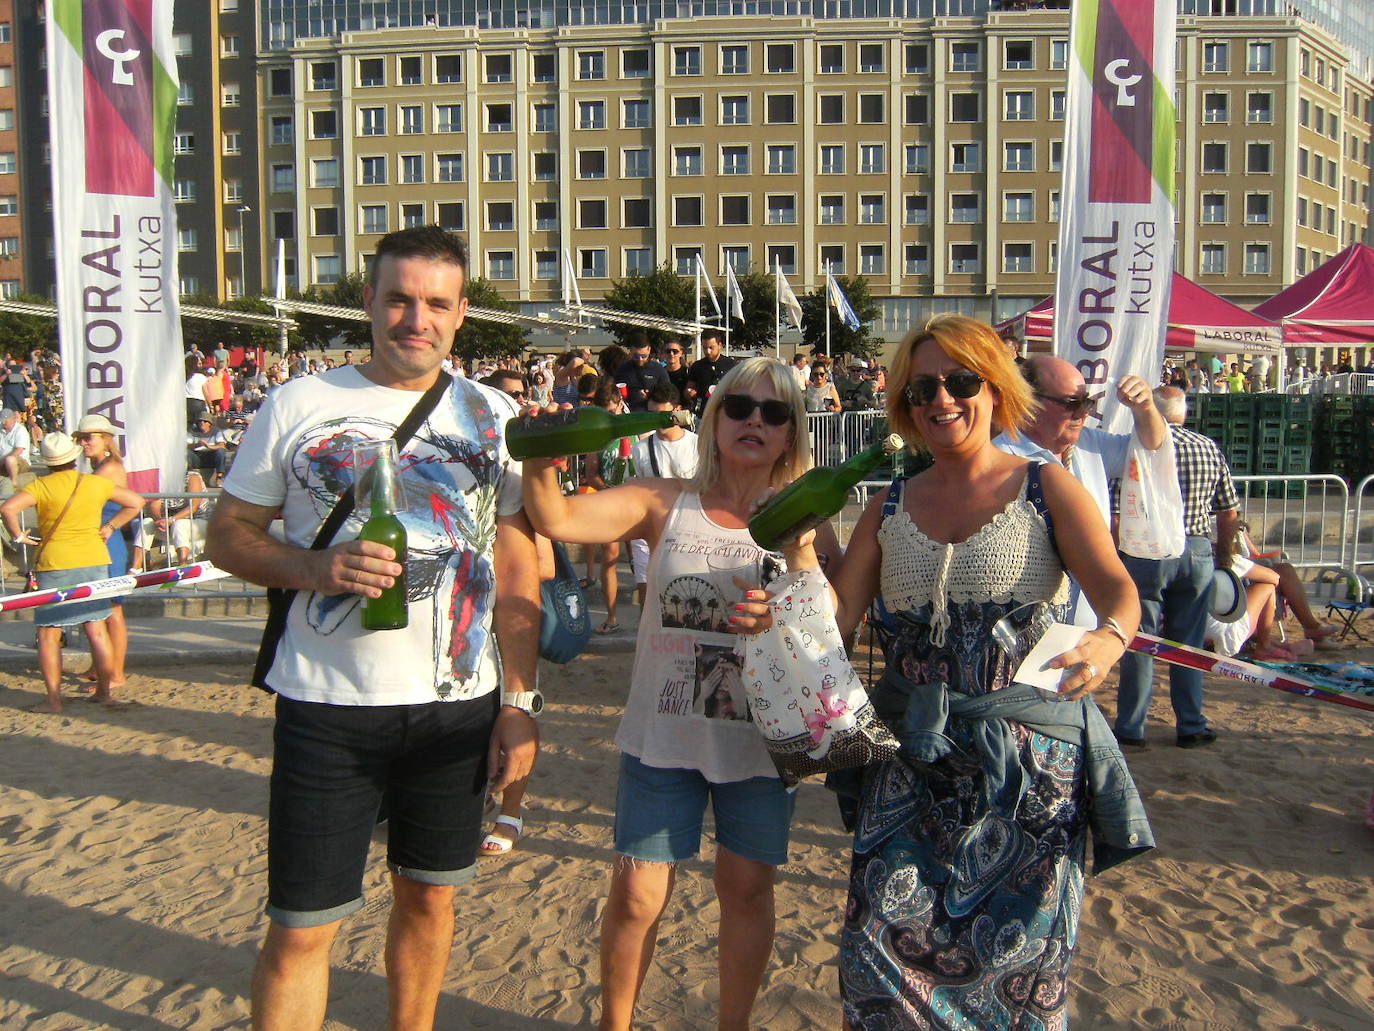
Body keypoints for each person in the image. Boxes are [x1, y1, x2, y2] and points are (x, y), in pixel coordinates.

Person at [736, 314, 1148, 1030]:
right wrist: (801, 554)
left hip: (1023, 773)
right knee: (876, 964)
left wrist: (1110, 640)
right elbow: (837, 623)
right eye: (923, 386)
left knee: (1015, 973)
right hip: (910, 767)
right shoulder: (888, 505)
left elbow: (1119, 589)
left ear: (995, 388)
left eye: (961, 381)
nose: (942, 398)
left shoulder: (1045, 486)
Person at [205, 225, 539, 1031]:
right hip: (326, 707)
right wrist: (316, 568)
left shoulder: (495, 415)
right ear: (369, 301)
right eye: (398, 297)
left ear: (462, 314)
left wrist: (522, 699)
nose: (414, 317)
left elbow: (520, 561)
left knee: (430, 899)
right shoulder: (299, 403)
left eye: (434, 302)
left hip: (457, 707)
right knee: (301, 925)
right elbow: (227, 535)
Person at [522, 357, 840, 1031]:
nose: (755, 419)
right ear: (714, 416)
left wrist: (802, 557)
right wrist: (541, 452)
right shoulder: (663, 500)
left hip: (757, 737)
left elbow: (828, 620)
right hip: (664, 735)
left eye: (775, 411)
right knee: (637, 892)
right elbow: (554, 517)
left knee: (746, 889)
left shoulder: (806, 510)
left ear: (792, 433)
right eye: (739, 406)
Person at [993, 355, 1166, 624]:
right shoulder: (1000, 460)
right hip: (1025, 624)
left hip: (1087, 622)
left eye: (1088, 402)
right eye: (1072, 403)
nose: (1083, 412)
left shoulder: (1089, 443)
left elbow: (1151, 448)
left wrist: (1145, 408)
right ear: (1028, 403)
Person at [1115, 386, 1240, 750]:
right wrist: (1225, 554)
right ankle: (1190, 723)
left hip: (1145, 548)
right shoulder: (1207, 447)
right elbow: (1228, 510)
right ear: (1183, 412)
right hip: (1196, 547)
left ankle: (1131, 725)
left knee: (1142, 641)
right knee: (1189, 642)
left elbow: (1115, 509)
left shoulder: (1133, 447)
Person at [1, 432, 143, 712]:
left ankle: (53, 699)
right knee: (96, 627)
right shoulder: (93, 482)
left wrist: (19, 536)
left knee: (48, 634)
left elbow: (8, 507)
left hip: (56, 561)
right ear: (73, 458)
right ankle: (104, 692)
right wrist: (111, 527)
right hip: (93, 557)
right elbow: (135, 503)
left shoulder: (41, 486)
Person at [75, 414, 133, 692]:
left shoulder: (109, 468)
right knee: (99, 608)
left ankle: (115, 673)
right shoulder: (102, 465)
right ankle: (100, 667)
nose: (83, 443)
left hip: (107, 543)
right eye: (80, 438)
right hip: (97, 541)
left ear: (106, 440)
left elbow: (130, 505)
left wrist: (111, 525)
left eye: (88, 437)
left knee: (112, 610)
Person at [628, 382, 698, 606]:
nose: (656, 420)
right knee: (647, 596)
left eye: (662, 414)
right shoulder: (640, 449)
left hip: (687, 531)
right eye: (652, 414)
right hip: (649, 531)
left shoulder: (698, 445)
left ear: (677, 410)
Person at [130, 468, 209, 570]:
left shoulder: (192, 477)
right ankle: (135, 568)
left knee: (179, 524)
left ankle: (183, 565)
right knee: (146, 522)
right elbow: (154, 506)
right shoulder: (159, 480)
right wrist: (160, 521)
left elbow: (194, 506)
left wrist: (171, 520)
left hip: (198, 523)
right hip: (169, 525)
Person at [684, 328, 736, 415]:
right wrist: (689, 393)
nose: (708, 351)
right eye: (704, 348)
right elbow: (688, 390)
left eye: (711, 347)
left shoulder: (731, 365)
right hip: (703, 413)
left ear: (720, 345)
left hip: (726, 413)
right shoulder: (697, 366)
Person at [612, 334, 669, 412]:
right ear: (631, 350)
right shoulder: (623, 369)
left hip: (652, 414)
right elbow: (613, 392)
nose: (640, 359)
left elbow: (668, 395)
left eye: (644, 356)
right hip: (628, 413)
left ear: (649, 350)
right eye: (635, 356)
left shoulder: (658, 370)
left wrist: (651, 395)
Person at [187, 415, 233, 486]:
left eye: (205, 421)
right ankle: (190, 476)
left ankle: (219, 478)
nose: (202, 423)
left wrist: (209, 446)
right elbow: (187, 445)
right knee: (187, 452)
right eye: (200, 421)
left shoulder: (216, 431)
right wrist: (197, 445)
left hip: (211, 456)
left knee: (221, 451)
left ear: (209, 423)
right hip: (197, 456)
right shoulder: (193, 431)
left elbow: (222, 445)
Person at [0, 406, 31, 489]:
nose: (3, 423)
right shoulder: (1, 430)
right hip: (2, 460)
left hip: (20, 461)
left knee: (10, 459)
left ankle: (14, 482)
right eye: (2, 421)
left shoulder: (20, 430)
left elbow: (19, 450)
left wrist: (2, 460)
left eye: (6, 420)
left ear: (13, 419)